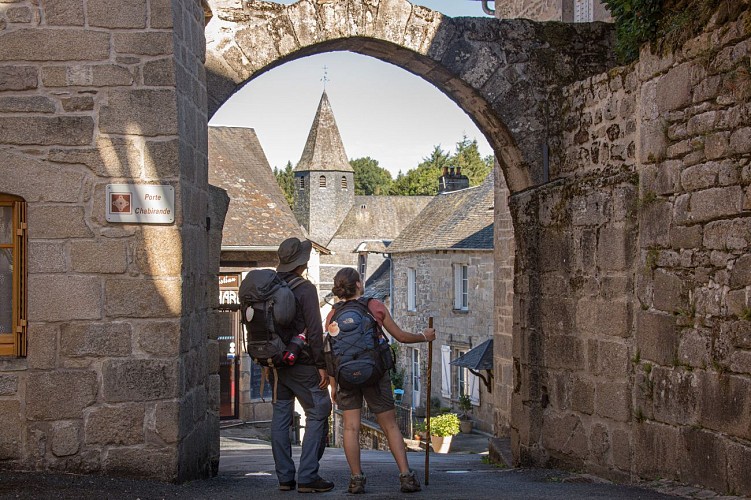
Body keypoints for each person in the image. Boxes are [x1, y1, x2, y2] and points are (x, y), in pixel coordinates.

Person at [325, 267, 436, 495]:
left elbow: (330, 352)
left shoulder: (332, 315)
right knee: (390, 425)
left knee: (350, 428)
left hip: (346, 377)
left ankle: (356, 480)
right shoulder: (373, 306)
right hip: (375, 374)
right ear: (358, 285)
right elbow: (401, 336)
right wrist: (425, 336)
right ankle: (406, 476)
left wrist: (333, 385)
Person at [271, 237, 333, 493]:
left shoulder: (269, 286)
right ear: (303, 262)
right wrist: (322, 365)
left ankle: (285, 478)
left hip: (276, 363)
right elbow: (315, 331)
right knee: (319, 410)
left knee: (281, 416)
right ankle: (308, 476)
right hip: (304, 363)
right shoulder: (305, 289)